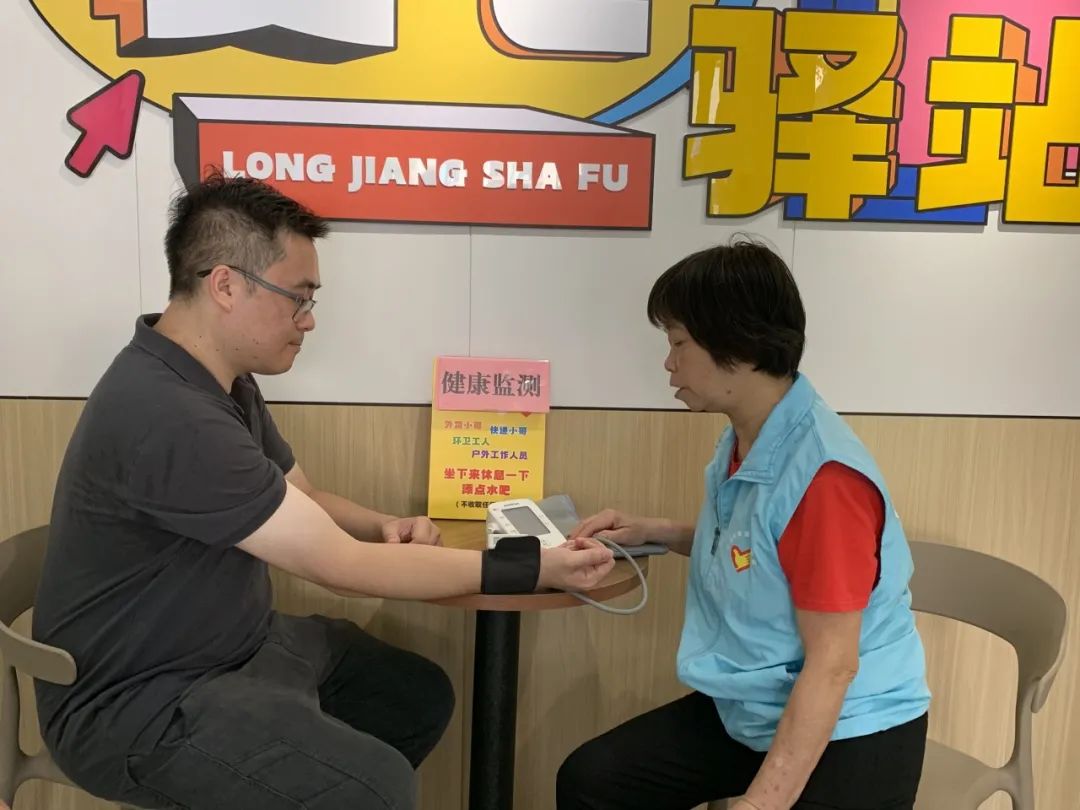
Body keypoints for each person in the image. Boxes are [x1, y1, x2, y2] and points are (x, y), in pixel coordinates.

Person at [32, 172, 614, 810]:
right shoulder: (167, 411)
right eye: (297, 299)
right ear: (225, 285)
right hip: (138, 705)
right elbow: (343, 568)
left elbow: (298, 496)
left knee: (413, 696)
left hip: (233, 648)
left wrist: (382, 524)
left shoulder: (218, 379)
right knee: (379, 788)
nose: (307, 321)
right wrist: (534, 568)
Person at [557, 239, 930, 810]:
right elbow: (757, 551)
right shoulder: (749, 436)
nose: (668, 363)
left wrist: (759, 804)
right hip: (758, 705)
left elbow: (833, 665)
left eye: (678, 342)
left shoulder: (826, 480)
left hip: (851, 726)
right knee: (592, 781)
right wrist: (656, 531)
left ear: (738, 343)